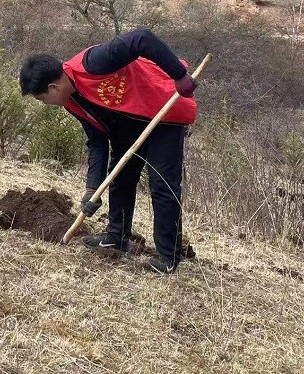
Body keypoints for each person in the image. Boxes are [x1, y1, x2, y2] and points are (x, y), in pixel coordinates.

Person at [19, 28, 197, 275]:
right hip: (128, 125)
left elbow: (142, 39)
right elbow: (97, 142)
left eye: (41, 99)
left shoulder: (93, 62)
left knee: (162, 184)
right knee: (120, 177)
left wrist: (179, 75)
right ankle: (116, 237)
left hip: (163, 112)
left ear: (53, 87)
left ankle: (168, 256)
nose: (45, 104)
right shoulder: (72, 102)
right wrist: (92, 190)